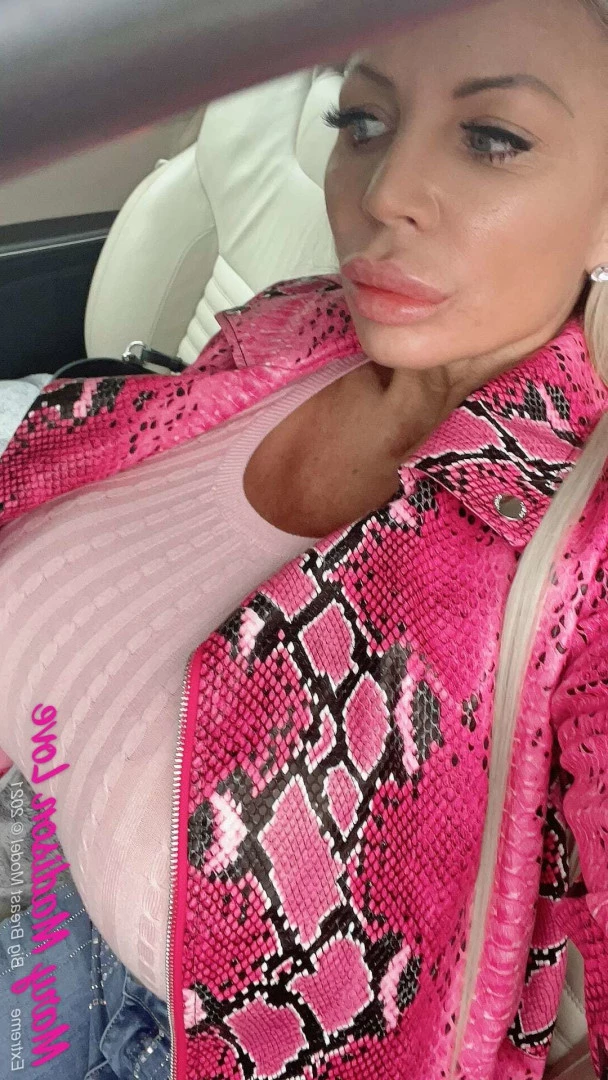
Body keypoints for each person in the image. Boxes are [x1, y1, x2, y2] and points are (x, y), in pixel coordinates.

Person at [0, 0, 607, 1077]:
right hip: (31, 887)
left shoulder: (578, 556)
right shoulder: (295, 322)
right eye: (360, 121)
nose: (381, 193)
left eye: (490, 138)